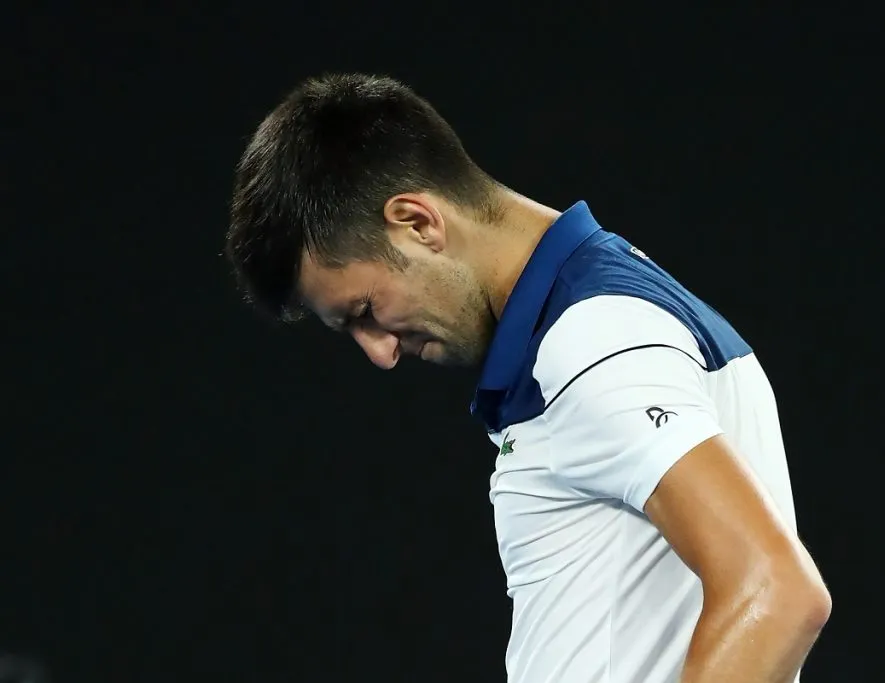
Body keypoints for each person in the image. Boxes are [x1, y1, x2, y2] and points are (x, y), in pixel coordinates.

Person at [225, 72, 832, 683]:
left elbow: (776, 593)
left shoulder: (593, 341)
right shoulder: (602, 315)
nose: (380, 352)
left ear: (417, 222)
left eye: (364, 312)